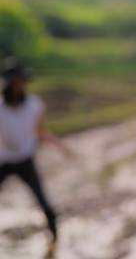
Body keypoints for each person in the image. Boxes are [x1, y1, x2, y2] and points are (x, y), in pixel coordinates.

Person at [0, 57, 73, 257]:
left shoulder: (34, 105)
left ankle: (54, 241)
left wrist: (61, 146)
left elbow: (39, 130)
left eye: (20, 80)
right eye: (14, 80)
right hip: (4, 161)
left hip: (25, 161)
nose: (17, 84)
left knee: (42, 200)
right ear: (8, 82)